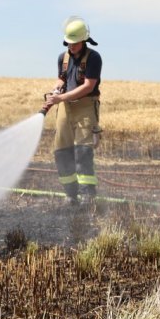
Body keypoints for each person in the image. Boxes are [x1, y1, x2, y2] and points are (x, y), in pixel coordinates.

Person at [45, 16, 102, 205]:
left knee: (83, 151)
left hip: (85, 106)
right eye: (68, 43)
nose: (71, 46)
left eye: (74, 43)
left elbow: (88, 86)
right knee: (61, 151)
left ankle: (88, 196)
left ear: (83, 40)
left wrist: (61, 97)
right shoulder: (63, 58)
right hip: (65, 107)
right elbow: (62, 78)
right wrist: (55, 91)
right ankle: (70, 194)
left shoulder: (93, 58)